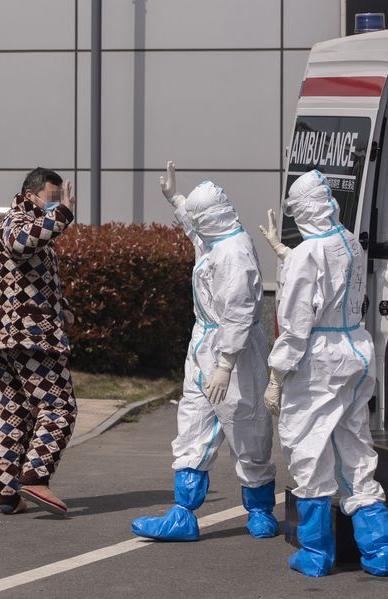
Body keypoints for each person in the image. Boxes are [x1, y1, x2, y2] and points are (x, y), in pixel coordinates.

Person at [263, 170, 388, 577]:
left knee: (308, 448)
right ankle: (380, 549)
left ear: (304, 210)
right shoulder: (350, 241)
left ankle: (316, 553)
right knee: (355, 447)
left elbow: (296, 325)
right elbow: (331, 275)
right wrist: (287, 254)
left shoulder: (308, 253)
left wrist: (276, 378)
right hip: (355, 350)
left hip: (319, 360)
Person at [131, 162, 278, 542]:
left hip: (235, 352)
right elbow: (196, 232)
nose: (194, 226)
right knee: (193, 422)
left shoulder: (234, 253)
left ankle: (260, 509)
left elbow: (239, 313)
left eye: (198, 217)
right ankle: (183, 514)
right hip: (205, 345)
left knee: (247, 428)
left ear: (210, 218)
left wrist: (225, 364)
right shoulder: (216, 239)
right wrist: (175, 198)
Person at [0, 167, 77, 516]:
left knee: (14, 413)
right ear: (30, 194)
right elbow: (21, 243)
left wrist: (62, 308)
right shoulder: (16, 220)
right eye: (51, 199)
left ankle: (7, 494)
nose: (56, 205)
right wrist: (63, 213)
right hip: (29, 336)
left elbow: (29, 277)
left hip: (14, 335)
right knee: (60, 406)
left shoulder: (30, 224)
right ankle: (35, 475)